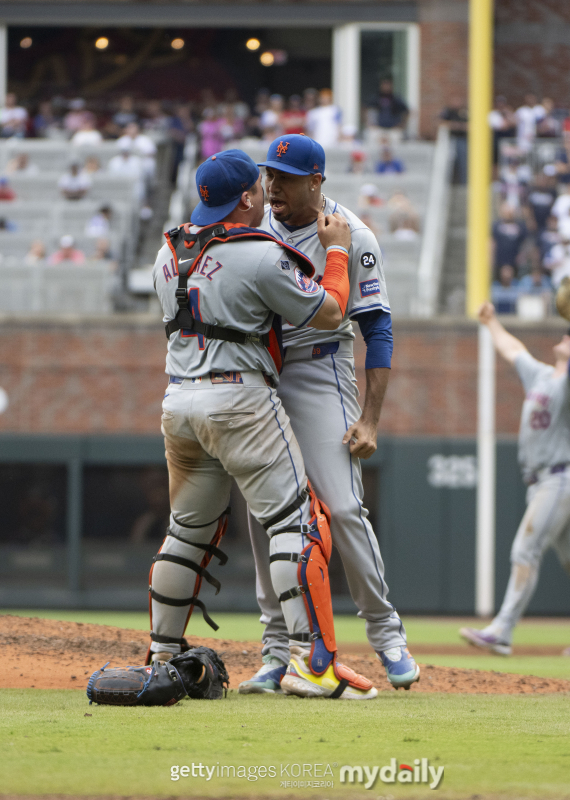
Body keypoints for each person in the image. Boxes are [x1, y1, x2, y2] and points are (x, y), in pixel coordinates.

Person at [147, 148, 377, 700]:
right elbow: (330, 311)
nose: (266, 191)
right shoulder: (254, 252)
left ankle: (162, 658)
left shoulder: (167, 251)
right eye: (259, 184)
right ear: (246, 198)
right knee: (297, 524)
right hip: (240, 400)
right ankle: (310, 664)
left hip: (179, 402)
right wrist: (338, 252)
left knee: (187, 533)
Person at [237, 133, 419, 694]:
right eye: (269, 176)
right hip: (263, 371)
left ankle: (387, 634)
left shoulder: (354, 234)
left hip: (320, 369)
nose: (273, 187)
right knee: (266, 516)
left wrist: (370, 418)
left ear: (316, 182)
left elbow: (377, 327)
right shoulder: (255, 228)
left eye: (285, 178)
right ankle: (276, 649)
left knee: (341, 506)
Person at [460, 302, 570, 657]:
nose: (564, 339)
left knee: (525, 550)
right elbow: (512, 349)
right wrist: (491, 322)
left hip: (558, 479)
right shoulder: (542, 375)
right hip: (548, 482)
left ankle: (502, 630)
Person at [366, 78, 409, 144]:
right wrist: (370, 123)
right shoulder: (376, 98)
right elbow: (367, 110)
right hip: (378, 128)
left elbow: (406, 112)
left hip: (393, 128)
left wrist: (401, 125)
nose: (386, 87)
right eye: (384, 85)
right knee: (371, 136)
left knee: (396, 137)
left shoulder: (396, 99)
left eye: (388, 85)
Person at [491, 203, 527, 275]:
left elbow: (525, 242)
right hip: (500, 260)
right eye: (506, 212)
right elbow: (492, 241)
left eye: (510, 212)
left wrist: (522, 255)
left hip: (515, 260)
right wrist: (491, 257)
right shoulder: (496, 225)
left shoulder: (520, 226)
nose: (509, 214)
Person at [439, 95, 468, 184]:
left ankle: (464, 183)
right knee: (448, 163)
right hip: (450, 140)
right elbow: (440, 123)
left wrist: (460, 126)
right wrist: (452, 125)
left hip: (462, 140)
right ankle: (448, 183)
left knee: (463, 162)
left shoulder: (465, 112)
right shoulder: (447, 112)